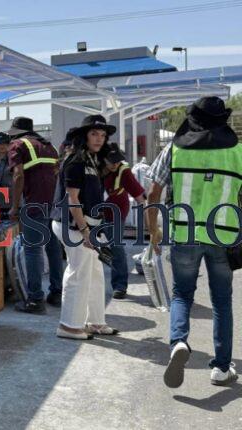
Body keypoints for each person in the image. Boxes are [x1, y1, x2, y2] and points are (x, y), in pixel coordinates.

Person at [146, 97, 242, 388]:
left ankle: (178, 342)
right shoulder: (238, 152)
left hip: (184, 234)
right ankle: (221, 368)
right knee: (222, 301)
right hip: (224, 236)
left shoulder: (174, 149)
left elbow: (153, 193)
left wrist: (153, 231)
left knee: (182, 295)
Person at [52, 115, 120, 340]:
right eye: (94, 134)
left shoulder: (93, 160)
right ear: (84, 136)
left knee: (95, 272)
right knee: (79, 272)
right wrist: (85, 232)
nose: (99, 138)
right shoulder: (75, 161)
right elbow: (72, 200)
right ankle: (68, 326)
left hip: (88, 225)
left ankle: (95, 321)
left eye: (102, 135)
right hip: (73, 225)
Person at [7, 116, 64, 312]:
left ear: (17, 133)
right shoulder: (50, 146)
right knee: (53, 248)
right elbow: (56, 174)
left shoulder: (17, 145)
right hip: (53, 204)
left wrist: (15, 206)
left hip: (34, 204)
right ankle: (56, 293)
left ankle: (35, 300)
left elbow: (18, 175)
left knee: (32, 250)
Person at [100, 143, 145, 299]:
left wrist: (151, 224)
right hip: (95, 212)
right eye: (111, 161)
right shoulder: (95, 167)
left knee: (116, 247)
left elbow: (139, 197)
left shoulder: (123, 171)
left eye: (117, 161)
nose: (115, 164)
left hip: (116, 213)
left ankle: (120, 285)